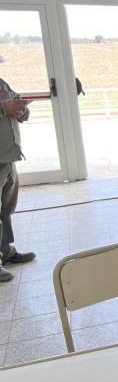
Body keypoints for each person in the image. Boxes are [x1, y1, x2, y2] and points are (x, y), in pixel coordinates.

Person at [0, 63, 37, 283]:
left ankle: (6, 252)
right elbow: (5, 106)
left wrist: (22, 110)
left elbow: (16, 103)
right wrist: (5, 107)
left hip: (8, 157)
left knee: (6, 208)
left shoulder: (2, 83)